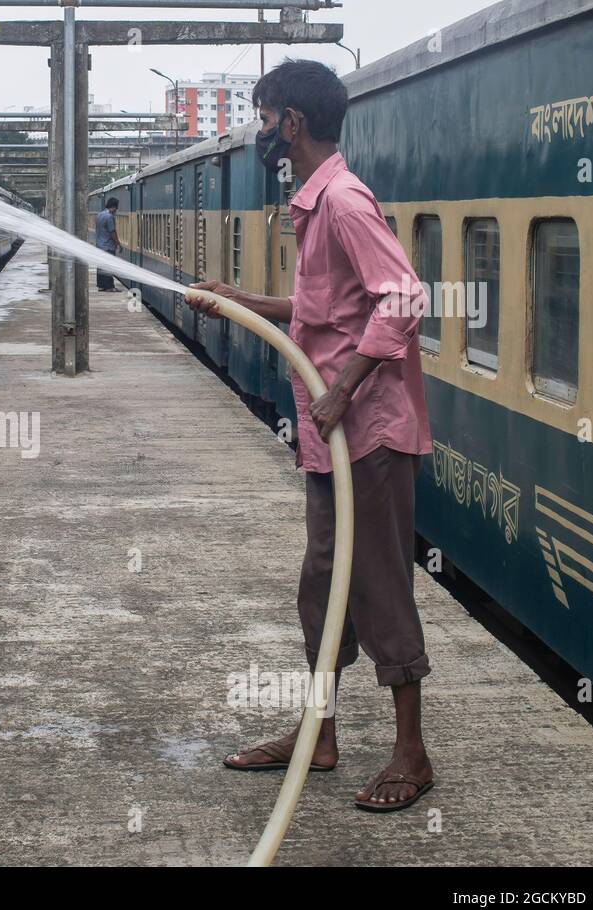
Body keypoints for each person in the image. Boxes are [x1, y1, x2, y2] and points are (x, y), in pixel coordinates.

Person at [190, 59, 435, 812]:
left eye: (263, 118)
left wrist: (343, 390)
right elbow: (324, 310)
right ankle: (318, 734)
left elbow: (404, 299)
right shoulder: (315, 202)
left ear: (291, 122)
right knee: (322, 586)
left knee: (380, 584)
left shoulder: (346, 202)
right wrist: (244, 303)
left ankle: (411, 752)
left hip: (370, 431)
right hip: (333, 434)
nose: (260, 132)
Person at [94, 197, 121, 291]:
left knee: (101, 266)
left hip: (99, 245)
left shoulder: (99, 215)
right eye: (116, 208)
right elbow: (112, 232)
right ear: (113, 207)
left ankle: (101, 286)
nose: (116, 211)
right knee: (109, 266)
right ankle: (109, 286)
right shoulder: (109, 216)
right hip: (108, 246)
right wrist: (118, 244)